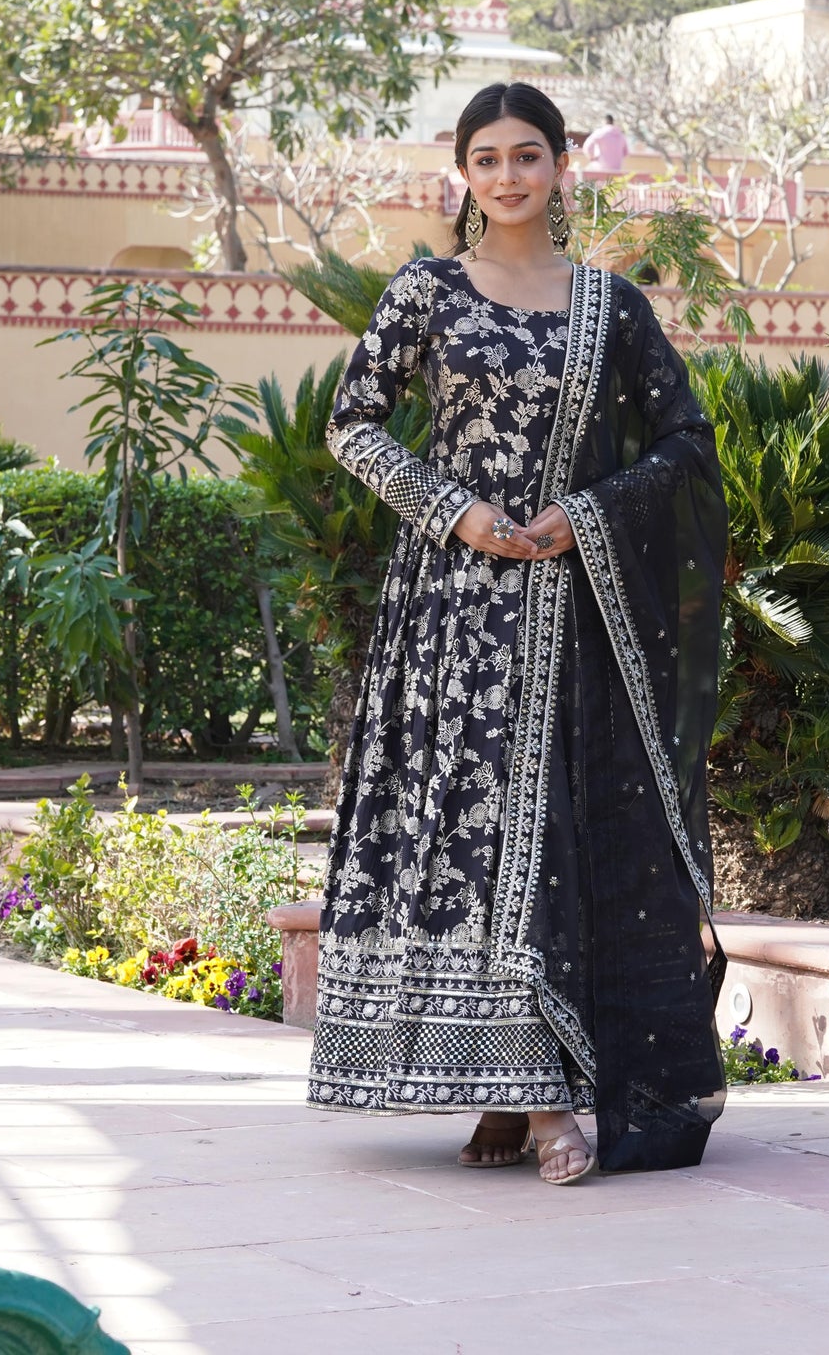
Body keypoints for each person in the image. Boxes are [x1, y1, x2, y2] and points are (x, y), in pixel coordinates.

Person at [308, 81, 727, 1186]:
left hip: (580, 615)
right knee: (473, 834)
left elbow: (684, 440)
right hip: (452, 610)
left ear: (560, 167)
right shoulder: (428, 291)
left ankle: (535, 1093)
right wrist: (455, 510)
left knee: (554, 837)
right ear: (462, 174)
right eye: (486, 158)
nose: (507, 176)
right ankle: (516, 1095)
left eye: (527, 155)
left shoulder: (608, 304)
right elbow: (352, 423)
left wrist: (585, 513)